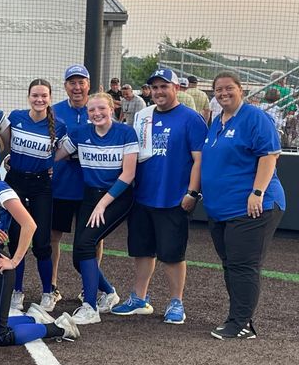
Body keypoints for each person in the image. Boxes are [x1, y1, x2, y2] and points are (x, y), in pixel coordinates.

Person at [112, 68, 207, 324]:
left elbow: (199, 160)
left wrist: (192, 193)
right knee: (143, 251)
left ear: (176, 88)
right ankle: (139, 298)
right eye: (154, 87)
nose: (159, 92)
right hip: (143, 196)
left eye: (164, 86)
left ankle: (176, 302)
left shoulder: (191, 119)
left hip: (174, 198)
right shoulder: (144, 116)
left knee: (173, 254)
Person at [0, 147, 79, 346]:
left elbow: (29, 224)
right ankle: (33, 317)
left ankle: (59, 327)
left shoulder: (0, 188)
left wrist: (14, 260)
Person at [202, 71, 285, 340]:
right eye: (218, 89)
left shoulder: (255, 117)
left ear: (241, 89)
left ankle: (241, 324)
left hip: (252, 208)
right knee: (231, 264)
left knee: (243, 265)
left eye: (229, 88)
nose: (223, 93)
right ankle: (237, 317)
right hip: (223, 209)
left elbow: (270, 155)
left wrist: (257, 192)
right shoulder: (217, 120)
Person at [56, 92, 139, 324]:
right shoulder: (80, 133)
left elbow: (129, 174)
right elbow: (56, 155)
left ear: (112, 109)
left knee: (85, 245)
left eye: (101, 109)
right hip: (90, 197)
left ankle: (90, 308)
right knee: (78, 258)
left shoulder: (125, 133)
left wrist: (103, 204)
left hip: (117, 197)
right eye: (92, 110)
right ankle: (110, 293)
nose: (97, 114)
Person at [4, 79, 65, 312]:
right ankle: (16, 291)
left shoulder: (59, 126)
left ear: (50, 98)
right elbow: (6, 144)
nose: (39, 100)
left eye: (44, 96)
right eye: (35, 95)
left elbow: (60, 153)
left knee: (42, 242)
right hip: (16, 181)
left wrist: (48, 164)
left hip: (41, 185)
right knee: (17, 238)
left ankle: (48, 292)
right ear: (28, 96)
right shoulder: (16, 117)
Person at [50, 64, 100, 306]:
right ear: (65, 86)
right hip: (60, 185)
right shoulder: (54, 110)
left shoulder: (98, 109)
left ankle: (89, 287)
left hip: (91, 186)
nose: (77, 87)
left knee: (92, 238)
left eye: (81, 82)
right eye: (72, 82)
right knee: (53, 236)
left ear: (88, 84)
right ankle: (52, 286)